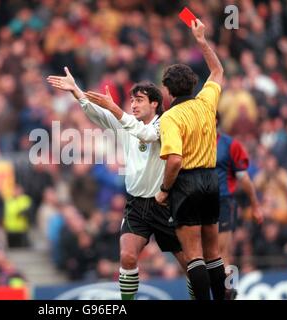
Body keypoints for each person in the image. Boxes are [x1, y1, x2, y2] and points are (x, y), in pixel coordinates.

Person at [47, 68, 190, 300]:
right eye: (132, 100)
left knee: (189, 263)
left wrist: (114, 108)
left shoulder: (165, 123)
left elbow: (146, 135)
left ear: (155, 103)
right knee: (127, 257)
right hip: (136, 205)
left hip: (164, 202)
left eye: (139, 100)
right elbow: (99, 115)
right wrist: (77, 92)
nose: (133, 105)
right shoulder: (127, 124)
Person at [153, 19, 225, 300]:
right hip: (211, 179)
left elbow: (174, 161)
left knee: (193, 255)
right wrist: (201, 40)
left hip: (187, 183)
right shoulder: (206, 103)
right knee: (214, 253)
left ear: (168, 91)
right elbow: (218, 70)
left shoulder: (170, 117)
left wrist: (164, 190)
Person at [216, 112, 263, 298]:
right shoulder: (194, 143)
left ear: (215, 121)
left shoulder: (230, 145)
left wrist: (255, 205)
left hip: (223, 201)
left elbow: (243, 178)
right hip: (198, 203)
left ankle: (229, 291)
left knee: (223, 252)